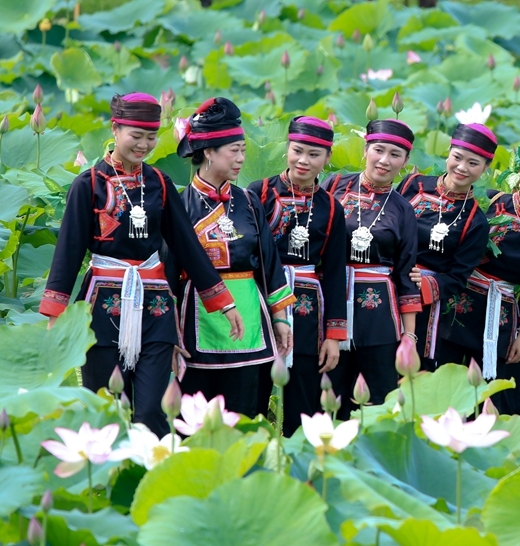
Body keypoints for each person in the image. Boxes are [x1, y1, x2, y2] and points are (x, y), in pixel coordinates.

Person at [39, 93, 242, 437]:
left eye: (151, 137)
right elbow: (68, 252)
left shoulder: (159, 183)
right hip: (102, 307)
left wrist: (223, 302)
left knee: (151, 410)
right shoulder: (87, 185)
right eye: (136, 135)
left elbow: (188, 247)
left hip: (156, 307)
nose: (145, 145)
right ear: (115, 129)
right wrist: (53, 317)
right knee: (105, 407)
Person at [174, 97, 294, 418]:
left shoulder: (249, 202)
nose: (241, 158)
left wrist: (280, 318)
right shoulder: (179, 206)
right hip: (196, 318)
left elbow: (269, 264)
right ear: (209, 153)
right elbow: (169, 273)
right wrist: (168, 332)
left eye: (243, 150)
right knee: (197, 415)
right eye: (234, 151)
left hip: (251, 316)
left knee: (246, 412)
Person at [440, 138, 520, 416]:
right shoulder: (488, 201)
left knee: (499, 398)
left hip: (501, 318)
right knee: (447, 384)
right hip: (458, 305)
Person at [248, 116, 347, 436]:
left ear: (328, 159)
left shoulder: (332, 207)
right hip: (262, 301)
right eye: (297, 150)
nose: (304, 161)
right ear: (287, 149)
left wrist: (334, 335)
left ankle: (299, 465)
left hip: (307, 311)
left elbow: (334, 273)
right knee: (252, 394)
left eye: (314, 155)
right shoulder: (258, 193)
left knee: (304, 400)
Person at [321, 119, 421, 419]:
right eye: (378, 150)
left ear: (405, 162)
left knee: (378, 399)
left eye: (395, 155)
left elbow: (406, 275)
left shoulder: (403, 209)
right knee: (328, 396)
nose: (384, 160)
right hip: (331, 305)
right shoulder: (334, 187)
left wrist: (410, 337)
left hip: (379, 318)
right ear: (365, 150)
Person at [398, 123, 494, 370]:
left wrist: (423, 284)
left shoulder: (475, 221)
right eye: (457, 157)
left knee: (413, 372)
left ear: (485, 168)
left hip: (423, 302)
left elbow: (457, 278)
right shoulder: (413, 185)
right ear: (448, 153)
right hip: (387, 282)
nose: (462, 168)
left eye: (473, 163)